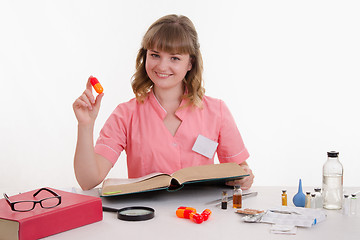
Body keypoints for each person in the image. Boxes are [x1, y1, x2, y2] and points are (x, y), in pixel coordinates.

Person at [73, 14, 254, 191]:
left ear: (190, 63)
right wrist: (85, 125)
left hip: (200, 217)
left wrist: (244, 178)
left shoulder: (217, 111)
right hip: (147, 217)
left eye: (174, 58)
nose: (161, 66)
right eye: (155, 55)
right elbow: (88, 180)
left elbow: (240, 172)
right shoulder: (125, 114)